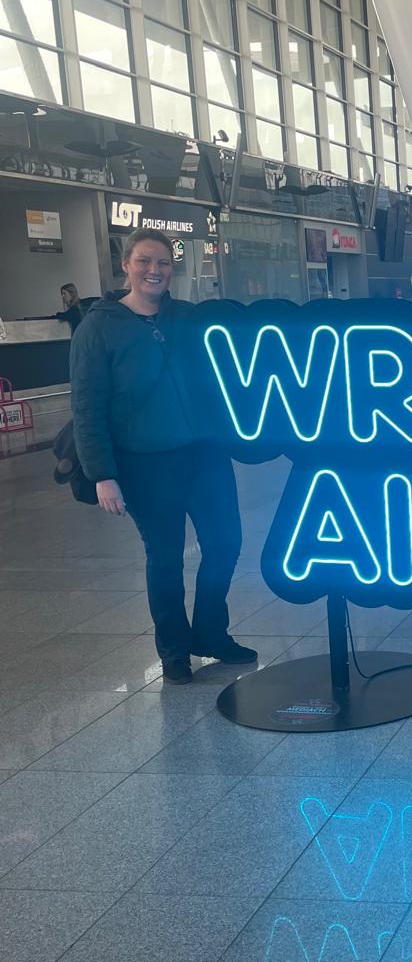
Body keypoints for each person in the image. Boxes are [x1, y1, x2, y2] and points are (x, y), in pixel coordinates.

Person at [70, 227, 256, 685]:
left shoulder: (188, 318)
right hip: (145, 464)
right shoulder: (99, 327)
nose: (155, 270)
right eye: (145, 261)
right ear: (126, 266)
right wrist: (102, 474)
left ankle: (211, 631)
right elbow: (86, 406)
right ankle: (174, 649)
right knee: (166, 557)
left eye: (164, 263)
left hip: (205, 456)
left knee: (225, 544)